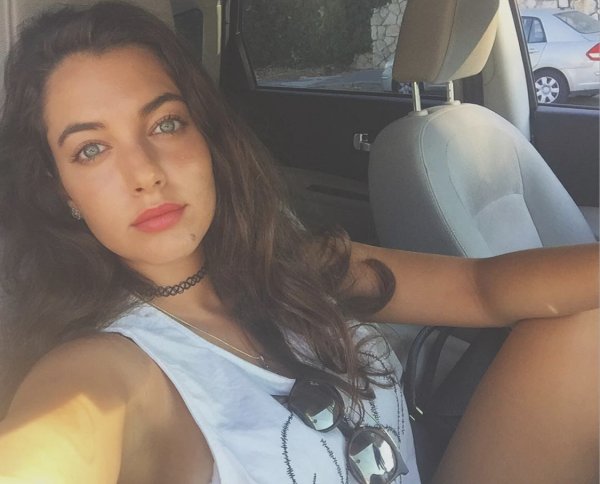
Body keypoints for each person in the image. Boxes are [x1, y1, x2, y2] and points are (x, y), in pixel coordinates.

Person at [0, 2, 597, 483]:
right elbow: (53, 442)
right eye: (91, 149)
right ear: (62, 191)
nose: (145, 173)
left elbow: (482, 288)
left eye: (166, 123)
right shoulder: (105, 373)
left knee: (585, 324)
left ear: (206, 136)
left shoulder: (293, 263)